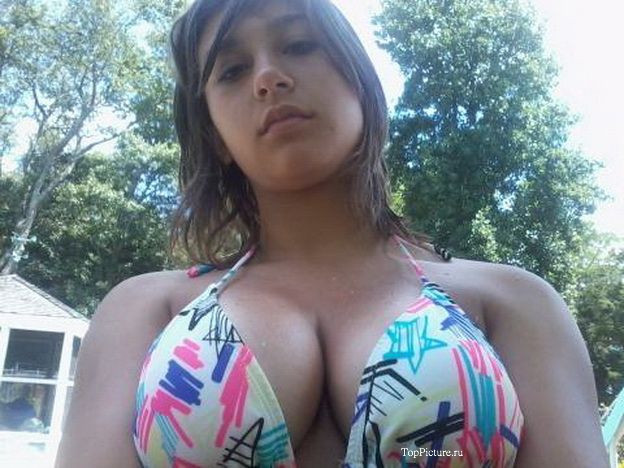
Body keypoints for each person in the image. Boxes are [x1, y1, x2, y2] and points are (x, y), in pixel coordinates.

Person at [55, 0, 608, 466]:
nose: (268, 77)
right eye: (232, 70)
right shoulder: (145, 313)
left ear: (360, 82)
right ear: (215, 135)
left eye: (298, 45)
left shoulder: (509, 303)